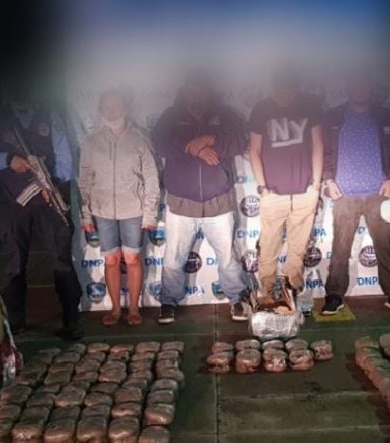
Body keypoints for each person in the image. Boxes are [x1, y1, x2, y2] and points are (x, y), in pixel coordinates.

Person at [0, 76, 83, 340]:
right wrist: (8, 160)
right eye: (15, 88)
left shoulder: (49, 116)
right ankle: (16, 321)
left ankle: (71, 320)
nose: (21, 93)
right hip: (12, 202)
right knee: (14, 264)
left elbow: (65, 158)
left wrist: (52, 185)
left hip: (47, 200)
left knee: (61, 260)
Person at [152, 70, 252, 324]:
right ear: (184, 91)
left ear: (209, 92)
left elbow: (240, 141)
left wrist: (212, 140)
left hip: (218, 201)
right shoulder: (171, 115)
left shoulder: (225, 114)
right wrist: (192, 148)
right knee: (173, 259)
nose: (196, 96)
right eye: (192, 91)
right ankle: (168, 302)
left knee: (227, 258)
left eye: (201, 91)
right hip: (181, 203)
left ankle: (237, 299)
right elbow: (160, 143)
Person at [320, 71, 390, 317]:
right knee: (340, 248)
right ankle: (334, 295)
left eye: (364, 86)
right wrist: (328, 179)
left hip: (379, 194)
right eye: (355, 85)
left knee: (385, 247)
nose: (360, 90)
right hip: (344, 194)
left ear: (370, 89)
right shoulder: (333, 116)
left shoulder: (384, 115)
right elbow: (324, 150)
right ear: (349, 88)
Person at [78, 89, 160, 327]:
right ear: (100, 110)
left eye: (116, 106)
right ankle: (115, 309)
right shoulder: (91, 141)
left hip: (133, 210)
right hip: (102, 211)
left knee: (133, 259)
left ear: (125, 108)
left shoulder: (140, 139)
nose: (112, 111)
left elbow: (151, 178)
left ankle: (134, 308)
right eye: (107, 107)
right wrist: (86, 214)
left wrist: (150, 213)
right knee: (111, 260)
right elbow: (84, 180)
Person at [248, 67, 324, 312]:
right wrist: (262, 187)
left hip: (305, 191)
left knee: (298, 249)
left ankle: (293, 292)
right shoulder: (261, 109)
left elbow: (318, 145)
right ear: (273, 87)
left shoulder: (309, 106)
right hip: (273, 193)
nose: (286, 94)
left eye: (290, 89)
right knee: (268, 248)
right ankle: (267, 295)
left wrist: (316, 185)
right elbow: (254, 151)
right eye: (281, 89)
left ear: (296, 88)